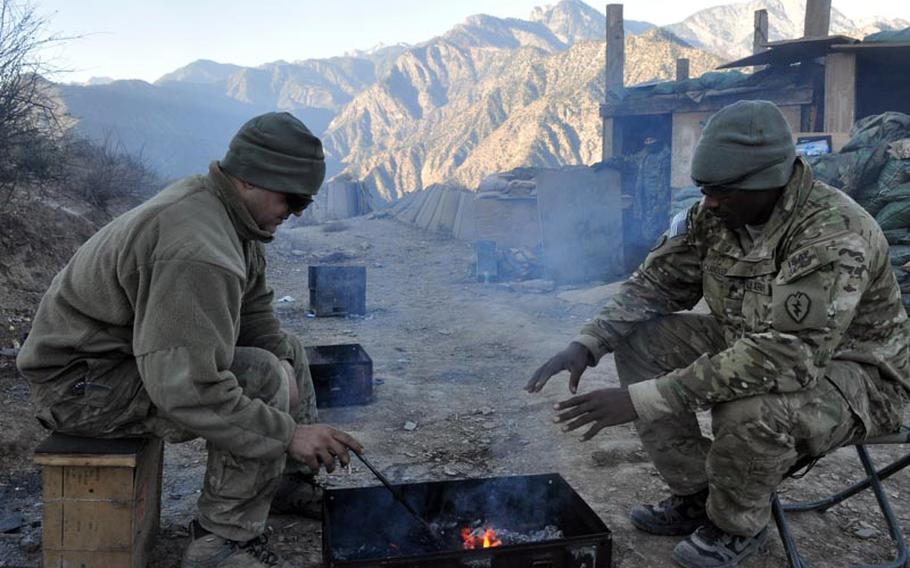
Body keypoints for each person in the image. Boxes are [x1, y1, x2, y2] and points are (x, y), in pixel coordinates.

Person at [526, 100, 909, 568]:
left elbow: (785, 358)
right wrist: (588, 343)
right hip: (757, 342)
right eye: (705, 190)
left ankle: (737, 525)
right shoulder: (720, 214)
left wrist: (642, 399)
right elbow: (656, 285)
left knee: (749, 403)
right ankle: (698, 494)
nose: (708, 203)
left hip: (860, 376)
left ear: (768, 181)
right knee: (641, 340)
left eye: (721, 192)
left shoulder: (832, 233)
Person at [17, 112, 364, 568]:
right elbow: (187, 389)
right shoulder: (198, 250)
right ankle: (219, 543)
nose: (296, 212)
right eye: (292, 198)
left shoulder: (230, 218)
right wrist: (287, 433)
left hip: (121, 365)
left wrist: (284, 368)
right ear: (251, 180)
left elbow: (254, 316)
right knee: (259, 377)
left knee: (287, 353)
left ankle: (282, 483)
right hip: (80, 388)